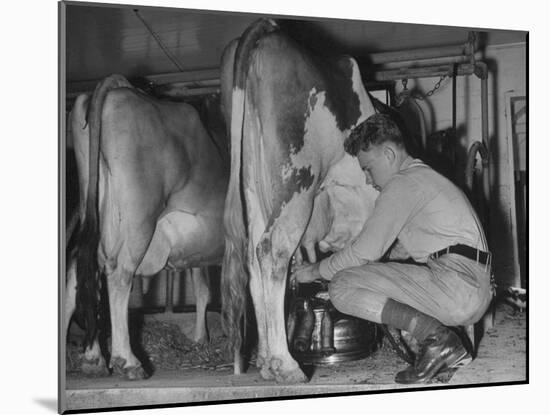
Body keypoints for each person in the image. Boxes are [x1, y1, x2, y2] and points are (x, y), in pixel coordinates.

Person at [291, 113, 493, 384]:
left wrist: (313, 270)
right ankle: (446, 352)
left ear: (388, 154)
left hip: (458, 285)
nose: (367, 179)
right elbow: (394, 254)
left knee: (341, 285)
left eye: (368, 168)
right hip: (469, 285)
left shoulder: (403, 183)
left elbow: (364, 252)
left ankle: (438, 340)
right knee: (357, 275)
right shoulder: (422, 178)